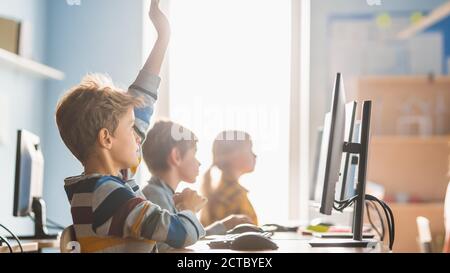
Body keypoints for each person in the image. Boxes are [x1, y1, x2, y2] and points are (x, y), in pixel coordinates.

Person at [56, 0, 206, 253]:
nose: (139, 137)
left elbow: (142, 103)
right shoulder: (108, 196)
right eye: (130, 128)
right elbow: (181, 233)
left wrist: (163, 38)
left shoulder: (106, 184)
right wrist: (188, 208)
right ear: (106, 139)